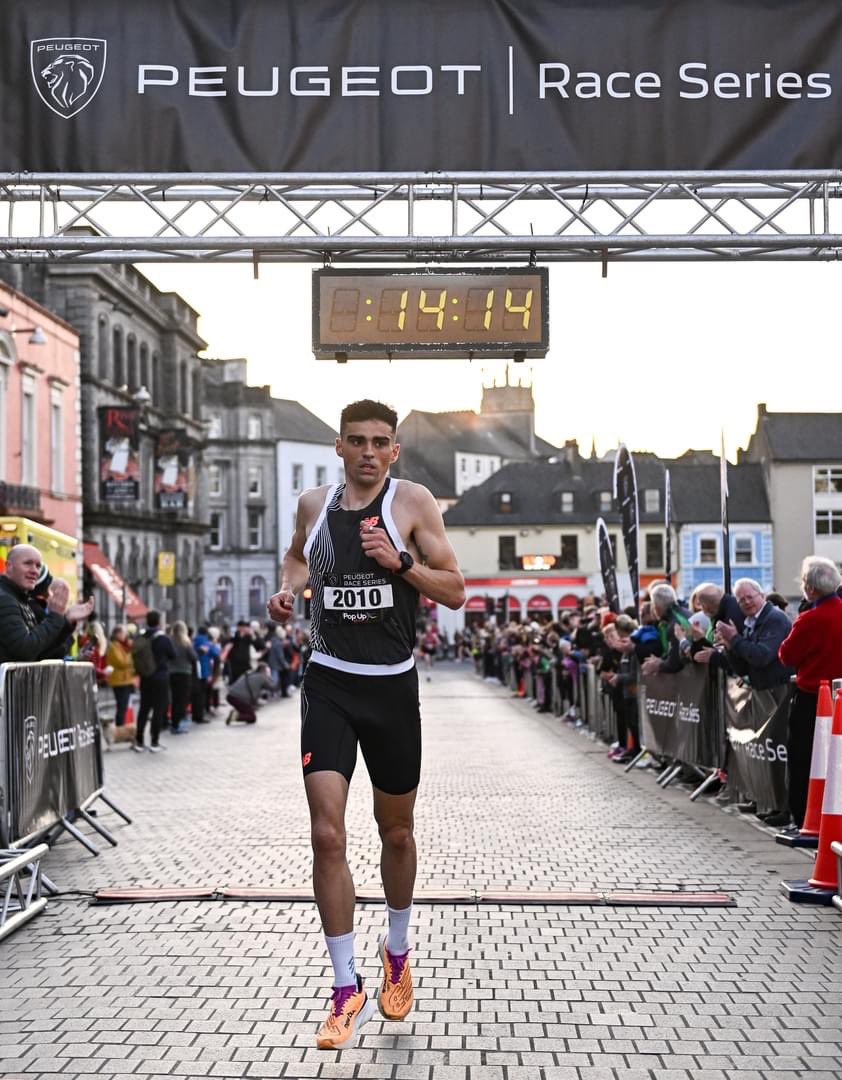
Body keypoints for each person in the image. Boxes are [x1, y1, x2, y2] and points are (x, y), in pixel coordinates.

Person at [267, 399, 465, 1051]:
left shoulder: (413, 505)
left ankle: (398, 955)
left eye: (381, 442)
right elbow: (298, 558)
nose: (369, 452)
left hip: (391, 689)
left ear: (395, 451)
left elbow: (455, 589)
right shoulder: (312, 505)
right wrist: (289, 590)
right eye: (358, 441)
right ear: (339, 447)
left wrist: (399, 564)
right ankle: (344, 988)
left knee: (397, 833)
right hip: (329, 682)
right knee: (327, 834)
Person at [779, 556, 842, 830]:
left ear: (811, 589)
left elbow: (786, 655)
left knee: (804, 761)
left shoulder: (810, 619)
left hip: (812, 700)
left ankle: (804, 818)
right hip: (838, 698)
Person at [0, 544, 93, 663]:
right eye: (28, 563)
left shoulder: (20, 599)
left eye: (38, 566)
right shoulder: (5, 599)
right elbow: (24, 651)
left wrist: (67, 622)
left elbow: (41, 654)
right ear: (9, 566)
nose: (34, 571)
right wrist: (55, 616)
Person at [715, 577, 793, 690]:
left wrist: (734, 637)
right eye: (741, 600)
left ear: (762, 595)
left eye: (750, 597)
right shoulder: (751, 623)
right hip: (764, 690)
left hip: (777, 691)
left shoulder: (774, 618)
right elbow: (743, 669)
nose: (746, 602)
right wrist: (730, 647)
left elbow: (762, 657)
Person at [132, 610, 176, 753]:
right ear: (159, 622)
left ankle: (139, 741)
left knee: (144, 709)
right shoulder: (163, 639)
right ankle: (154, 741)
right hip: (161, 678)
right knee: (158, 709)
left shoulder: (142, 637)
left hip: (146, 678)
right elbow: (172, 655)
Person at [168, 621, 197, 734]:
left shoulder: (169, 641)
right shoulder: (186, 643)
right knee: (183, 699)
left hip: (171, 672)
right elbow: (194, 657)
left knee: (174, 698)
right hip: (184, 672)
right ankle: (177, 723)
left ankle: (174, 721)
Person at [106, 625, 136, 728]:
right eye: (123, 633)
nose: (125, 635)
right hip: (119, 681)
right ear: (117, 634)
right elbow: (122, 662)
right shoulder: (114, 646)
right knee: (121, 706)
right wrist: (131, 655)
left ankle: (123, 727)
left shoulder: (124, 646)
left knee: (124, 706)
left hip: (127, 680)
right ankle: (120, 727)